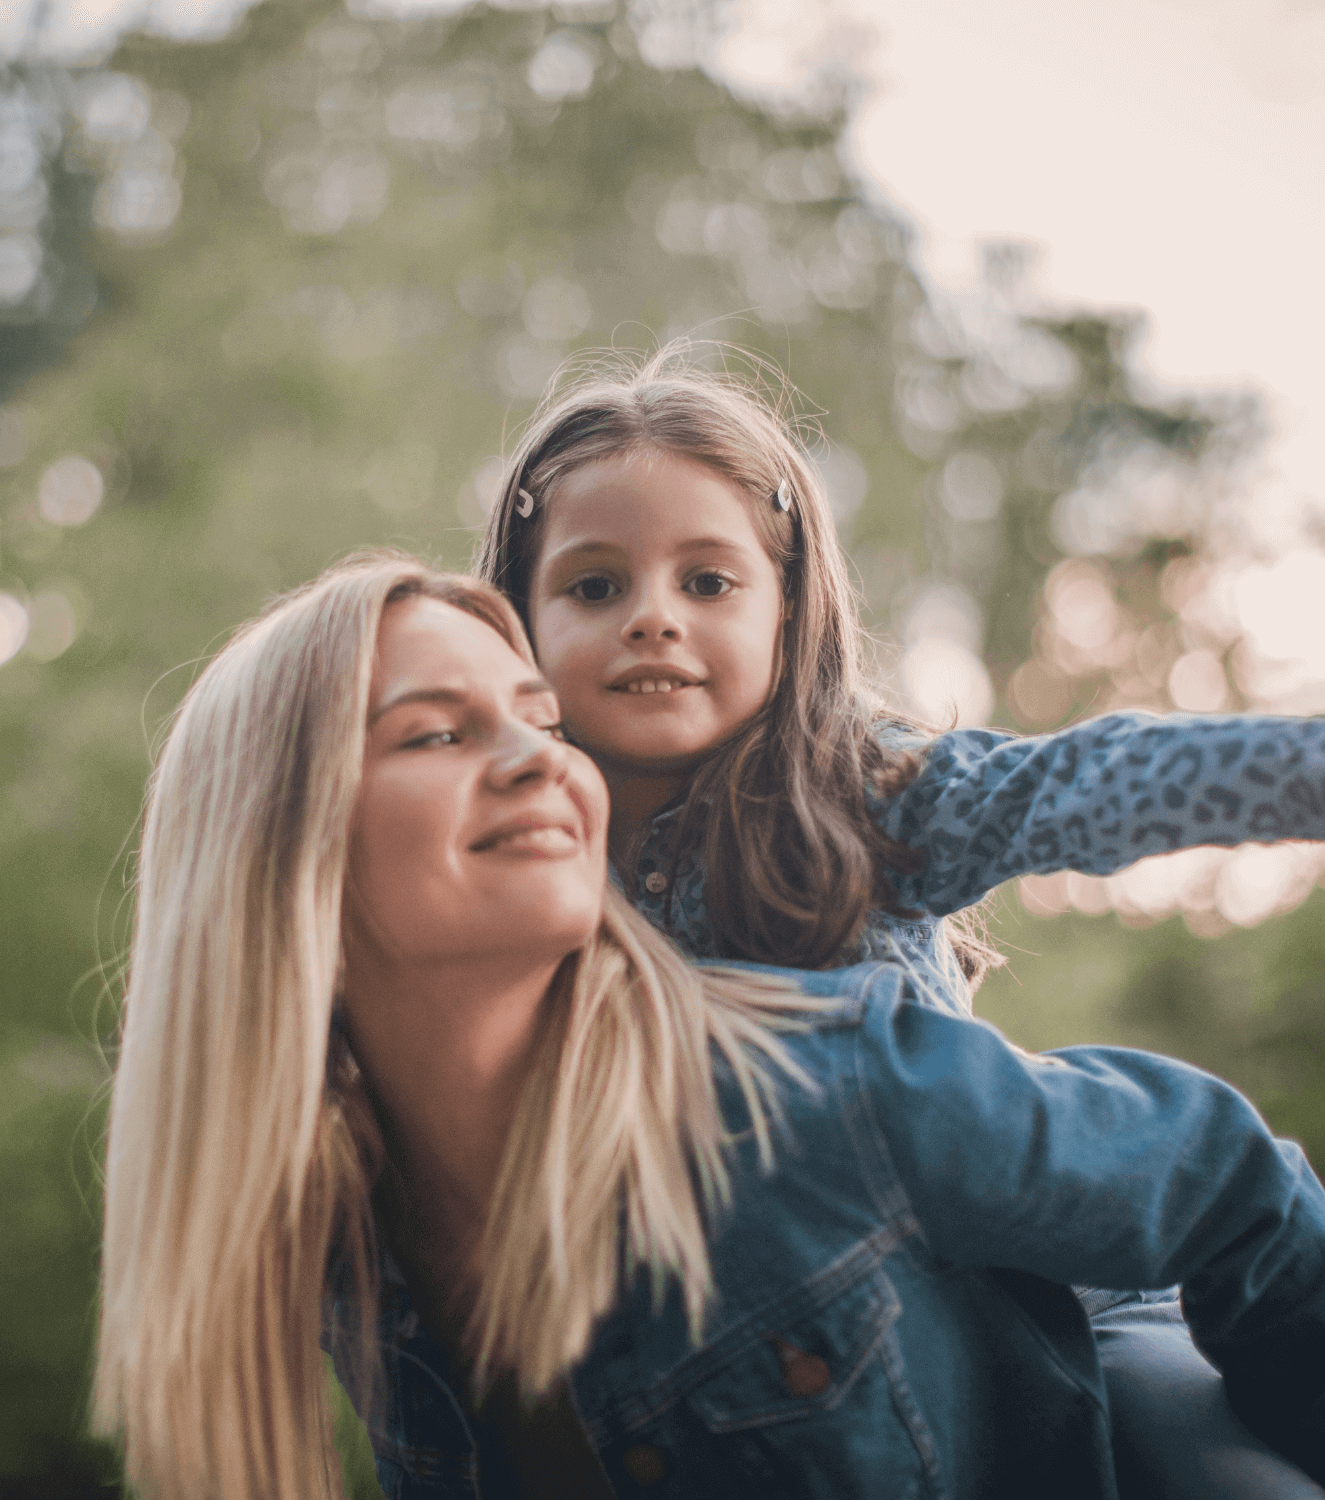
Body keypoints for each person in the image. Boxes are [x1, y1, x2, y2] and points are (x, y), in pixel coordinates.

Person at [94, 553, 1325, 1500]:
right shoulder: (350, 1266)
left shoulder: (812, 1083)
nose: (542, 760)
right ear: (277, 856)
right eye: (439, 733)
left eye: (540, 721)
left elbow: (1229, 1185)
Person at [470, 344, 1325, 1497]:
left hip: (1052, 1296)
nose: (653, 619)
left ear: (788, 610)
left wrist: (1297, 772)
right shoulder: (523, 881)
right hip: (807, 1373)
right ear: (514, 627)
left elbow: (1069, 787)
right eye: (594, 587)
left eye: (708, 582)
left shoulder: (854, 791)